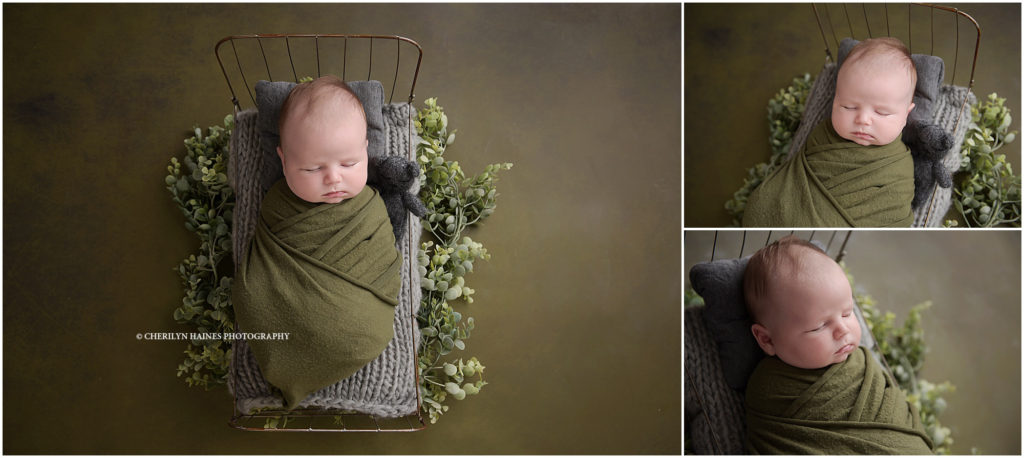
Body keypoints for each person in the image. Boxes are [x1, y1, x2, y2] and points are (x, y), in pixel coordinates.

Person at [233, 75, 401, 410]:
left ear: (366, 151)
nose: (334, 178)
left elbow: (385, 261)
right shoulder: (278, 202)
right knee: (250, 294)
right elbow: (264, 260)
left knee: (366, 329)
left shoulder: (370, 205)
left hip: (355, 320)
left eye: (350, 163)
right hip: (284, 301)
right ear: (283, 161)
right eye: (311, 169)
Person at [740, 236, 933, 454]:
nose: (844, 329)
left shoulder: (863, 364)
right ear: (767, 339)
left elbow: (895, 408)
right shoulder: (769, 391)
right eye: (818, 327)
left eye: (848, 313)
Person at [742, 37, 917, 227]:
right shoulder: (823, 134)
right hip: (789, 206)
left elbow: (896, 212)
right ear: (835, 101)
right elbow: (796, 177)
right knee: (763, 204)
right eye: (849, 107)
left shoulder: (900, 165)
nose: (863, 120)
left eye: (881, 112)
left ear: (906, 114)